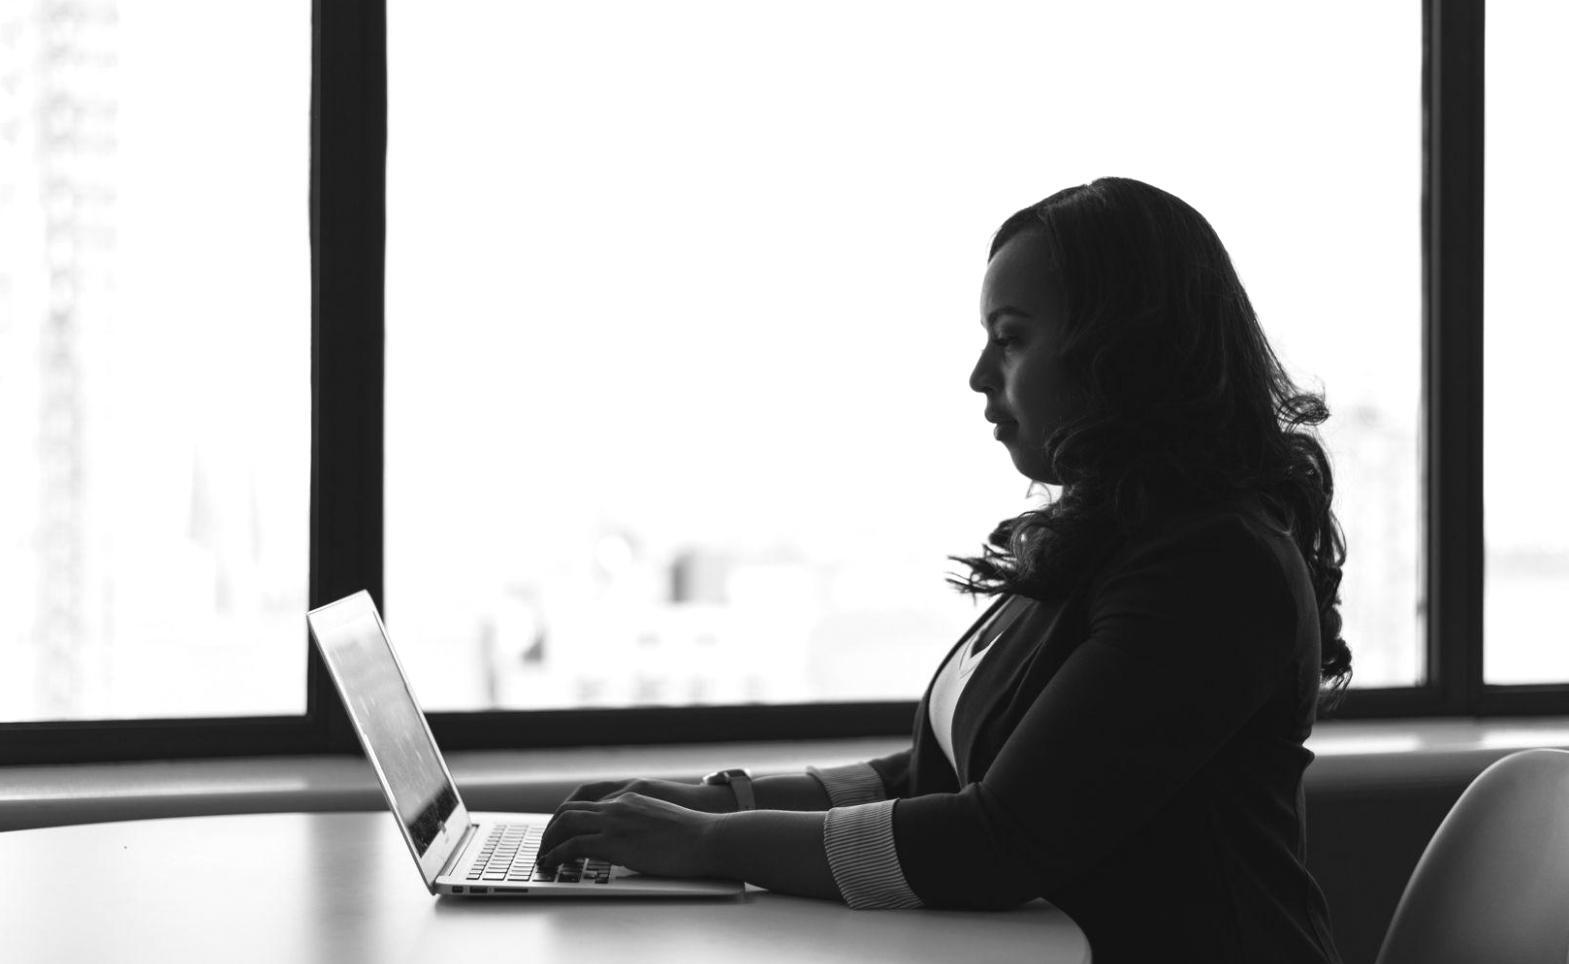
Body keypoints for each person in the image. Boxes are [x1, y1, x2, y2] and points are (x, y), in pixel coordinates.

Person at [538, 176, 1350, 964]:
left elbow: (996, 841)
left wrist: (709, 843)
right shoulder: (1108, 538)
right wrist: (725, 800)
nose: (978, 374)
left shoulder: (1212, 566)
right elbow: (928, 777)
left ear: (1121, 352)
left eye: (1011, 337)